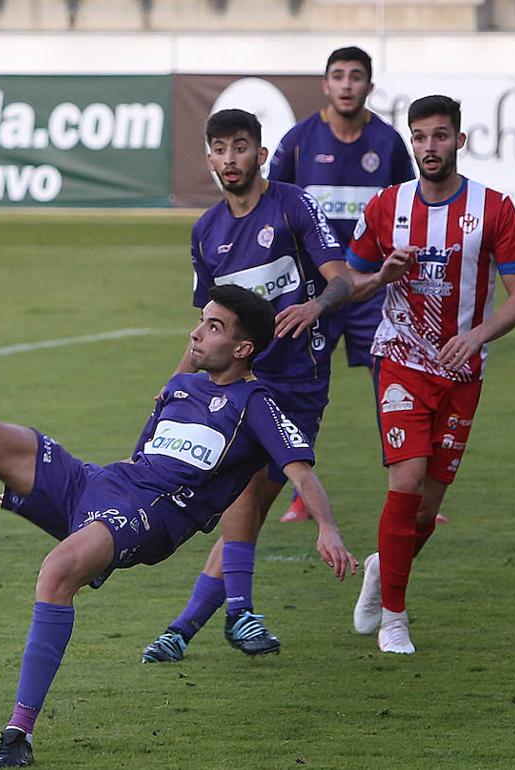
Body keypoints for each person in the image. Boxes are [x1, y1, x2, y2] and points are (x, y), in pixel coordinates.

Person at [0, 285, 357, 769]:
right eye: (201, 321)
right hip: (108, 485)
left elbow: (301, 472)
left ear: (243, 349)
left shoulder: (256, 405)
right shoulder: (179, 389)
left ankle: (18, 732)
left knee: (57, 571)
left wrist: (328, 529)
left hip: (153, 514)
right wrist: (46, 503)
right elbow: (137, 464)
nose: (196, 333)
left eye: (214, 327)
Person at [139, 109, 354, 663]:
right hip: (241, 383)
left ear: (260, 154)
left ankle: (185, 628)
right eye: (219, 148)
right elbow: (209, 326)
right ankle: (230, 616)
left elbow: (342, 280)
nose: (229, 158)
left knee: (250, 506)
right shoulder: (206, 231)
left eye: (240, 147)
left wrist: (315, 306)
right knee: (242, 497)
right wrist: (174, 385)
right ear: (209, 158)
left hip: (299, 383)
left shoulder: (292, 205)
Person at [343, 95, 515, 654]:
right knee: (405, 483)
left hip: (462, 370)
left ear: (460, 141)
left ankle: (383, 567)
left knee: (426, 507)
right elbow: (348, 282)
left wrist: (477, 336)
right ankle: (395, 619)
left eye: (441, 136)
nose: (430, 147)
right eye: (421, 137)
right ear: (412, 142)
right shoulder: (387, 206)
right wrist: (381, 277)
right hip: (400, 360)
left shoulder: (494, 208)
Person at [268, 45, 416, 523]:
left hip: (374, 290)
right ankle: (299, 493)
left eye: (356, 76)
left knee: (395, 388)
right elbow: (274, 204)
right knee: (302, 390)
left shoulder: (388, 143)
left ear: (369, 86)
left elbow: (409, 206)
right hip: (317, 293)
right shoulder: (298, 142)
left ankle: (412, 495)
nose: (347, 84)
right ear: (325, 84)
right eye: (338, 75)